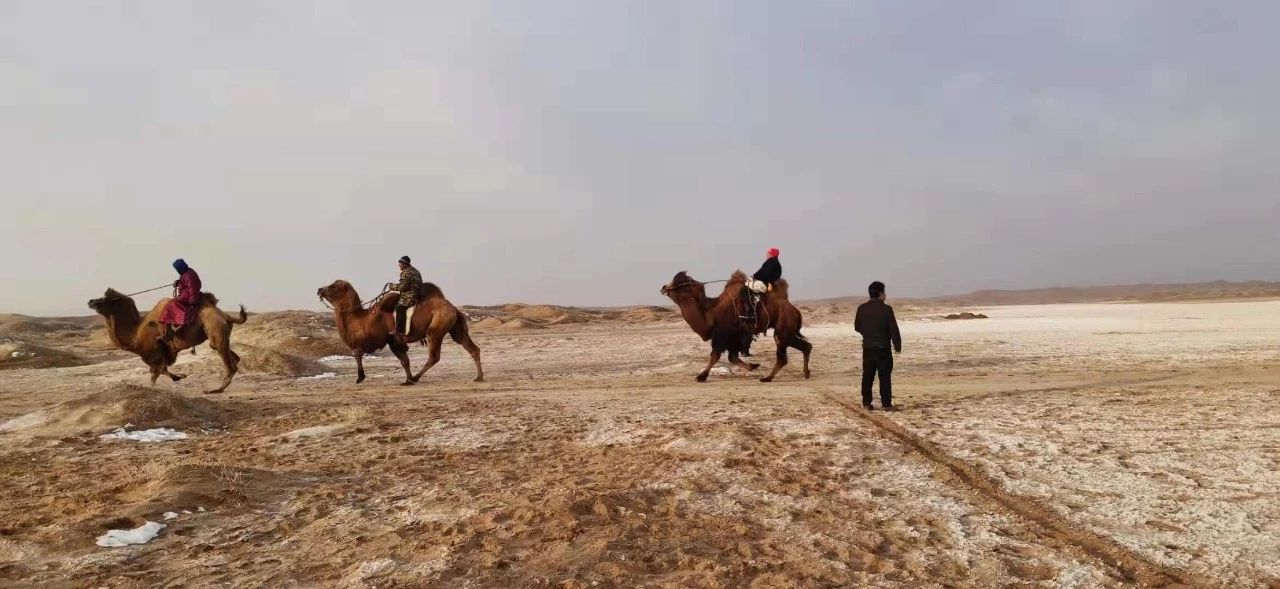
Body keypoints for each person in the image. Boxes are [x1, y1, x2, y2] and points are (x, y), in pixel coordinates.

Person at [854, 281, 901, 411]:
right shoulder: (887, 309)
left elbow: (857, 327)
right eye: (884, 292)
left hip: (868, 349)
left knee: (867, 376)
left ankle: (866, 403)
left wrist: (868, 334)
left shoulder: (861, 308)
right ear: (881, 293)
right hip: (883, 349)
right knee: (884, 377)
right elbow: (893, 329)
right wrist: (897, 345)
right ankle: (886, 404)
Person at [158, 259, 202, 347]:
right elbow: (185, 282)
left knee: (171, 304)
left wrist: (192, 301)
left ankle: (170, 331)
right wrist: (178, 282)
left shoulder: (189, 275)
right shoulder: (187, 272)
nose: (177, 270)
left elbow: (193, 288)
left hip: (188, 296)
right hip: (186, 294)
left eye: (177, 268)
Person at [386, 255, 423, 342]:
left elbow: (402, 287)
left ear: (405, 264)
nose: (399, 265)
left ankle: (399, 330)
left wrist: (391, 286)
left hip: (409, 296)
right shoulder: (416, 271)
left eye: (400, 264)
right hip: (417, 295)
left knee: (399, 307)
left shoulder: (406, 272)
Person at [743, 248, 782, 322]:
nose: (767, 254)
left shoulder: (774, 263)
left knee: (745, 290)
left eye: (769, 253)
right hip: (762, 282)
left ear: (772, 254)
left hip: (765, 284)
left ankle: (750, 313)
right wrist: (752, 276)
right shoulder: (770, 262)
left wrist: (754, 277)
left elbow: (765, 274)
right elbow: (761, 272)